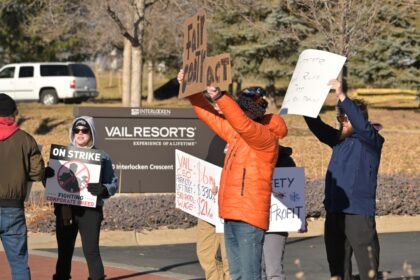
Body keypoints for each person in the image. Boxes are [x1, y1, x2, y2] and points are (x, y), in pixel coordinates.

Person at [178, 70, 288, 280]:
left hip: (249, 218)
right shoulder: (237, 135)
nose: (236, 113)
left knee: (248, 276)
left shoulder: (265, 138)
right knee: (236, 275)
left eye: (241, 109)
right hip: (229, 214)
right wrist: (190, 90)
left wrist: (220, 96)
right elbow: (209, 115)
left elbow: (242, 123)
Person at [303, 80, 384, 280]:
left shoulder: (371, 141)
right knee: (338, 270)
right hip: (334, 211)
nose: (342, 122)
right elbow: (317, 126)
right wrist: (306, 103)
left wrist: (341, 95)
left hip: (358, 213)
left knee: (368, 270)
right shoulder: (338, 141)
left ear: (359, 120)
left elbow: (362, 126)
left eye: (346, 118)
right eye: (340, 118)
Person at [53, 116, 118, 280]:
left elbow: (113, 183)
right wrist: (47, 177)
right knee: (64, 251)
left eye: (84, 130)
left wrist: (104, 189)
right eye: (77, 130)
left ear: (92, 132)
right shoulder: (61, 154)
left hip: (90, 210)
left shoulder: (102, 156)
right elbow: (54, 184)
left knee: (91, 251)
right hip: (66, 208)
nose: (80, 134)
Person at [0, 93, 53, 280]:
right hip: (12, 208)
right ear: (14, 113)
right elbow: (37, 173)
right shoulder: (26, 140)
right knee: (19, 263)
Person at [197, 133, 231, 280]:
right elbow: (207, 163)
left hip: (229, 205)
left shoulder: (246, 134)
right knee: (204, 254)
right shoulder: (219, 135)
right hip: (209, 203)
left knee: (229, 260)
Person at [261, 146, 296, 280]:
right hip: (254, 221)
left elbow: (293, 192)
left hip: (276, 223)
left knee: (273, 270)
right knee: (258, 271)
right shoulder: (249, 157)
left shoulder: (286, 161)